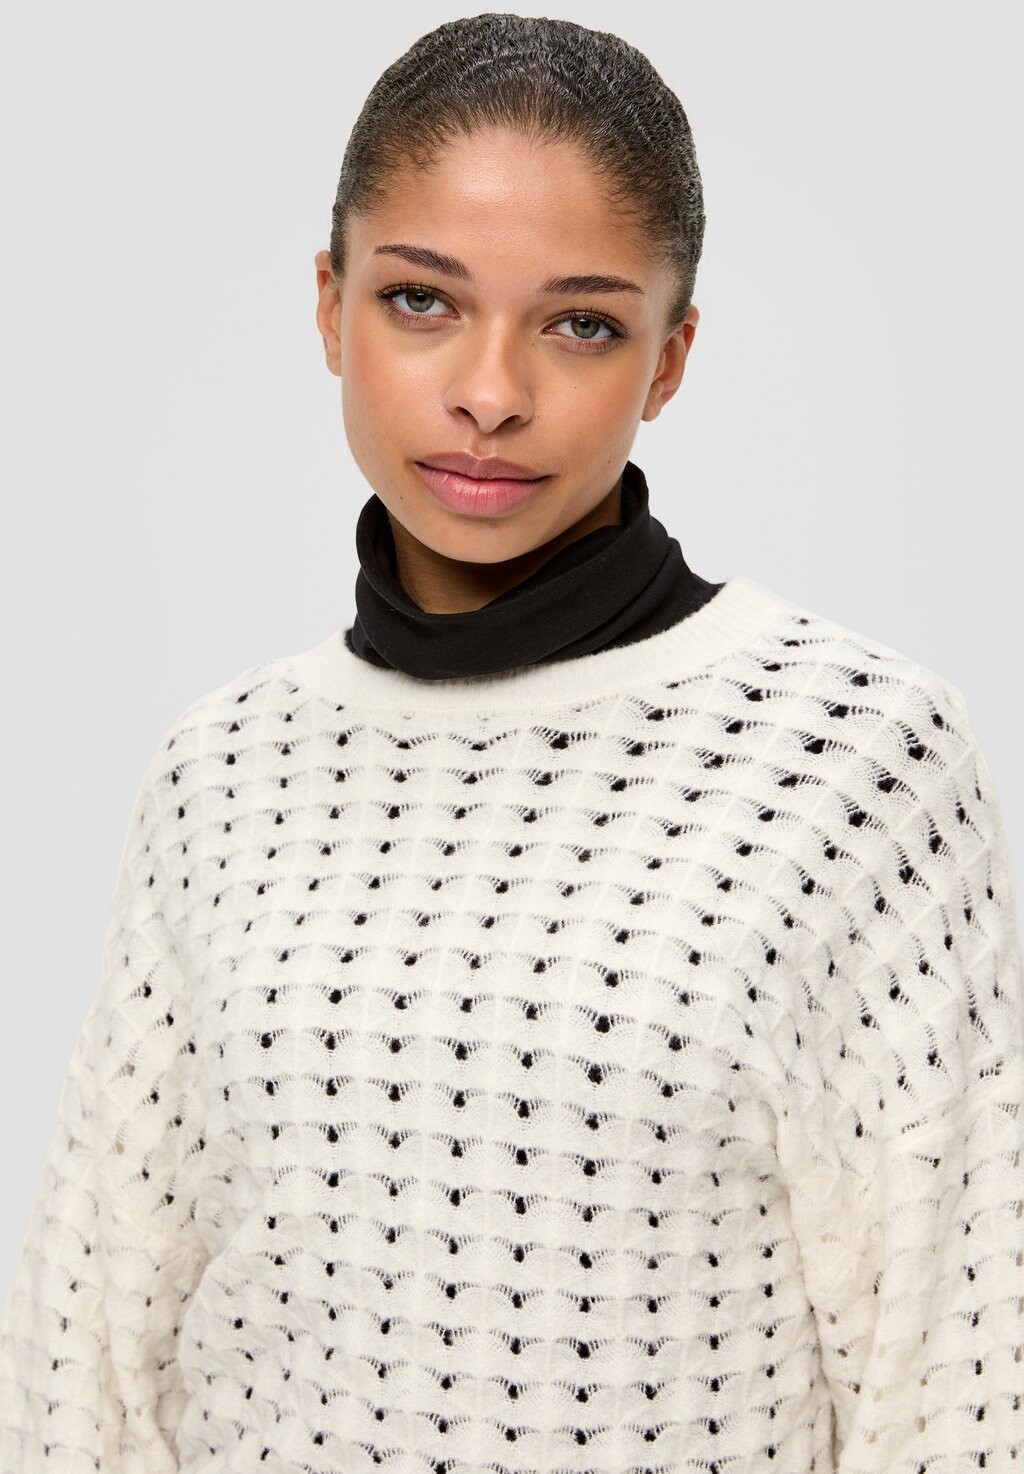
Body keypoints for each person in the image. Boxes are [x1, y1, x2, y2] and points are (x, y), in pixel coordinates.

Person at [1, 13, 1021, 1472]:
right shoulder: (220, 769)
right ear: (329, 306)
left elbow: (963, 1378)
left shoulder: (852, 759)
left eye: (581, 323)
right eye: (421, 300)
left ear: (669, 360)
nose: (490, 391)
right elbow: (82, 1363)